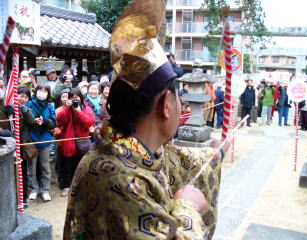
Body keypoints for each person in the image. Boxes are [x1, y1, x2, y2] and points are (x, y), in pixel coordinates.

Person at [64, 1, 233, 238]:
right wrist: (189, 208)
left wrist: (218, 153)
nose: (183, 105)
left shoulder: (135, 149)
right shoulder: (115, 177)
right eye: (179, 97)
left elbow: (183, 161)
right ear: (166, 105)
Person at [56, 88, 95, 197]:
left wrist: (78, 111)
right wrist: (67, 108)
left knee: (81, 166)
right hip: (68, 142)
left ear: (81, 98)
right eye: (72, 97)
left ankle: (80, 187)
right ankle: (66, 187)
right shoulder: (64, 108)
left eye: (77, 97)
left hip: (82, 143)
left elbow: (89, 122)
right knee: (67, 166)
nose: (74, 99)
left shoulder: (86, 108)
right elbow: (60, 120)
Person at [26, 83, 55, 201]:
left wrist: (46, 122)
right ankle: (33, 189)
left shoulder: (50, 106)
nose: (42, 92)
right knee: (31, 167)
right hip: (31, 139)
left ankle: (45, 190)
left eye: (45, 91)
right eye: (40, 90)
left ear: (48, 93)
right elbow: (24, 120)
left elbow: (54, 123)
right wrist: (33, 121)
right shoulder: (29, 103)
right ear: (36, 91)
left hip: (45, 139)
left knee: (45, 167)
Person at [17, 87, 35, 207]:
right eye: (21, 95)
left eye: (26, 97)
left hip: (22, 145)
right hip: (11, 142)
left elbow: (31, 121)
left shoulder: (27, 109)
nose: (23, 99)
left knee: (23, 172)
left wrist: (24, 110)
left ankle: (23, 198)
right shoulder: (8, 107)